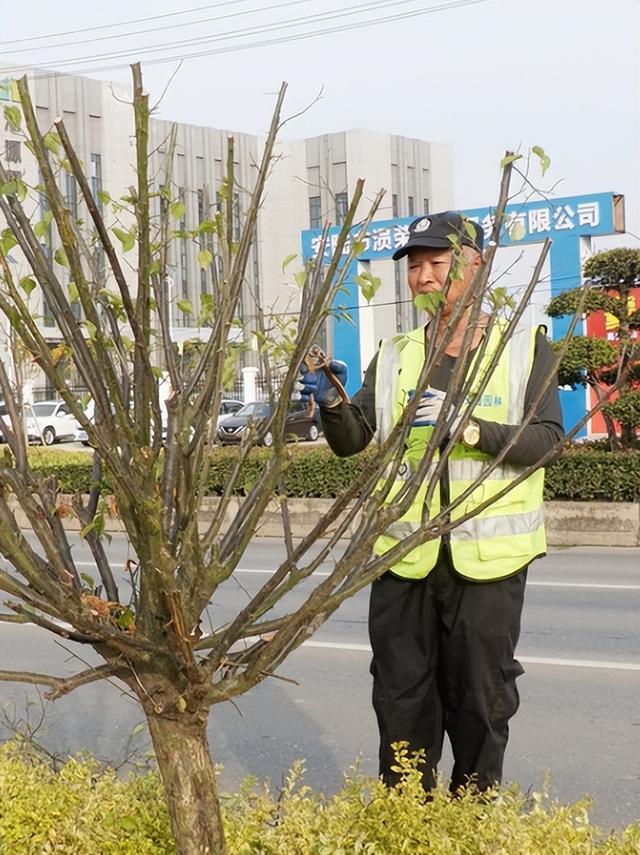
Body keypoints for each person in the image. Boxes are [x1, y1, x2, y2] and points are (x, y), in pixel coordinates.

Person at [299, 211, 564, 794]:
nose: (421, 277)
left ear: (473, 266)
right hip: (402, 560)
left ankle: (467, 824)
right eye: (414, 266)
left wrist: (470, 429)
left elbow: (548, 439)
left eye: (435, 263)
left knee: (480, 701)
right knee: (399, 700)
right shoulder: (394, 355)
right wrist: (331, 403)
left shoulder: (522, 346)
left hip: (486, 564)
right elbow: (353, 442)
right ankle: (406, 821)